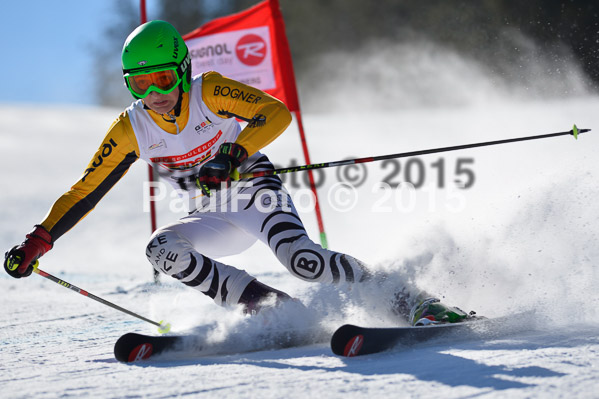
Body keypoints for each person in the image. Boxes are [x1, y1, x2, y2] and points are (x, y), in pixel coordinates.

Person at [3, 20, 468, 326]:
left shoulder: (211, 91)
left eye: (163, 79)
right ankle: (272, 311)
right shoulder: (132, 128)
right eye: (140, 84)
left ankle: (415, 302)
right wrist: (40, 239)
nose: (155, 93)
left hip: (256, 194)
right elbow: (86, 190)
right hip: (212, 216)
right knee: (161, 248)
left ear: (182, 71)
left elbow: (275, 112)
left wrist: (234, 151)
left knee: (303, 262)